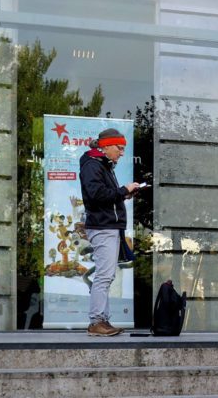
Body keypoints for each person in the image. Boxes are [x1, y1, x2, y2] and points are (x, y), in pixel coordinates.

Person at [79, 128, 139, 336]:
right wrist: (123, 191)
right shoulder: (93, 165)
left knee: (106, 276)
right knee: (104, 276)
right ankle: (97, 321)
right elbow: (96, 194)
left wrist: (123, 194)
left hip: (107, 226)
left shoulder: (100, 165)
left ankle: (102, 320)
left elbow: (104, 196)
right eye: (119, 148)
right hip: (103, 227)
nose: (122, 153)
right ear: (106, 146)